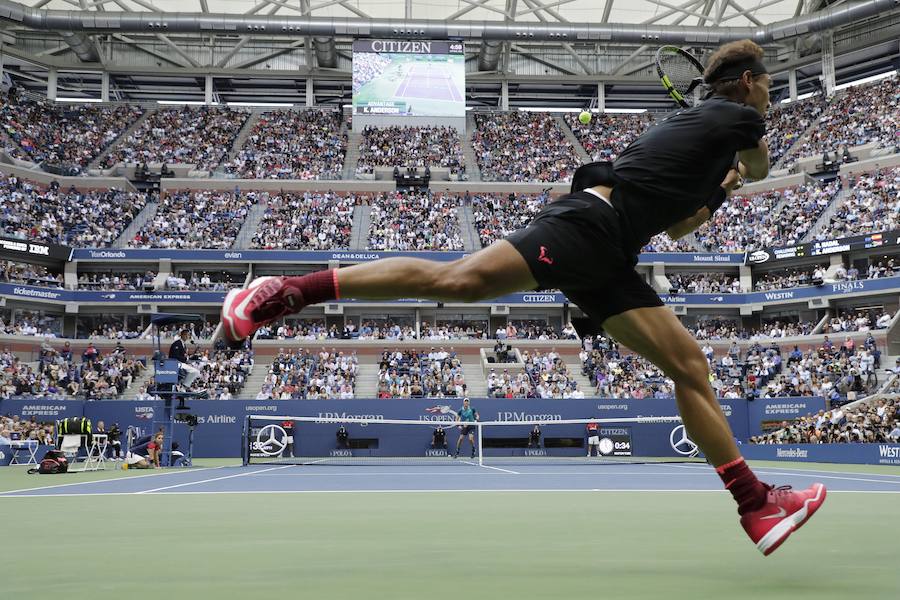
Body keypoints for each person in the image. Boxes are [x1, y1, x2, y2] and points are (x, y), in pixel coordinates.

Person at [221, 39, 825, 555]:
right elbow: (764, 166)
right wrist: (741, 173)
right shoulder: (736, 118)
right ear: (747, 83)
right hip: (587, 225)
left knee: (690, 368)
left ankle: (755, 505)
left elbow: (679, 227)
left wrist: (719, 190)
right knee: (456, 281)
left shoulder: (708, 134)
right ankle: (286, 291)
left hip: (615, 255)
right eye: (770, 86)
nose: (773, 95)